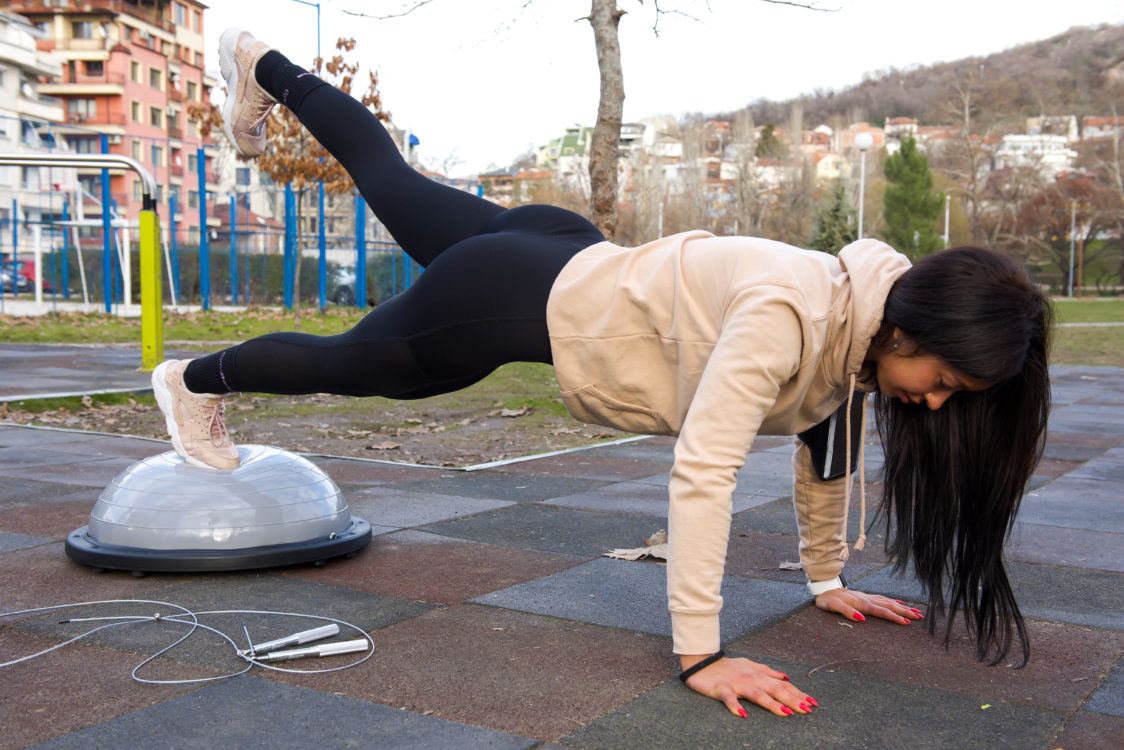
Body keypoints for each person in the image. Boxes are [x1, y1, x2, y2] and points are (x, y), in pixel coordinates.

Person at [152, 28, 1052, 719]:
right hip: (512, 300)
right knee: (360, 369)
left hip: (559, 245)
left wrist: (825, 581)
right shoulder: (791, 314)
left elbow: (829, 448)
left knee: (386, 172)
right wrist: (702, 655)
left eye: (953, 400)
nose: (933, 402)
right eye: (941, 380)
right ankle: (193, 380)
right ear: (912, 327)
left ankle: (259, 62)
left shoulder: (861, 317)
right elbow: (705, 472)